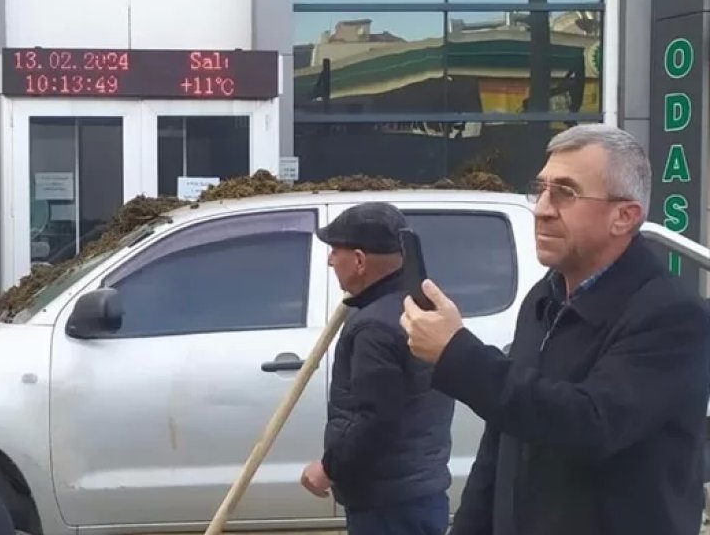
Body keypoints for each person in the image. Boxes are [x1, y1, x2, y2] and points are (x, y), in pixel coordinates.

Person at [400, 123, 710, 535]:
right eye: (541, 188)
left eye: (566, 192)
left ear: (624, 216)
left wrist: (458, 354)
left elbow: (590, 424)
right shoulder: (542, 299)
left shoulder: (671, 316)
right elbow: (501, 443)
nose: (543, 208)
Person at [302, 201, 456, 535]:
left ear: (358, 261)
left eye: (335, 251)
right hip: (420, 491)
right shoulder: (420, 306)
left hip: (387, 502)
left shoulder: (375, 327)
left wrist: (329, 468)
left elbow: (375, 418)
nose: (330, 260)